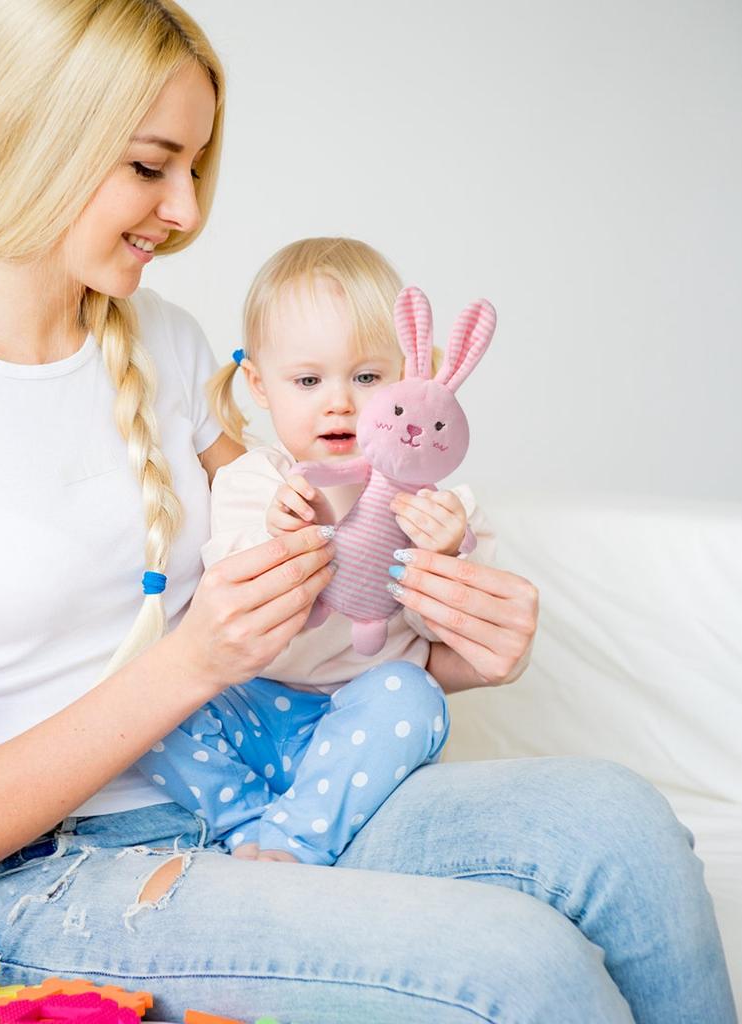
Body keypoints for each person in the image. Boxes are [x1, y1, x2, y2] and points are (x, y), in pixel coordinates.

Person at [0, 1, 737, 1021]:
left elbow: (318, 588)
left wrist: (445, 648)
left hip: (263, 790)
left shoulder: (169, 341)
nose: (187, 211)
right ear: (37, 136)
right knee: (520, 967)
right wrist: (188, 663)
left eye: (193, 168)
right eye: (152, 166)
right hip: (49, 884)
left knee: (619, 823)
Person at [137, 237, 489, 866]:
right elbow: (232, 597)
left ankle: (294, 843)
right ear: (259, 386)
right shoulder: (254, 480)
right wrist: (279, 533)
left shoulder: (437, 501)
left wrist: (444, 554)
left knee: (410, 692)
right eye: (307, 379)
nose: (339, 401)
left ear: (408, 377)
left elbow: (451, 635)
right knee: (143, 703)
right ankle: (246, 826)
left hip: (359, 722)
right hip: (255, 707)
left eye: (367, 377)